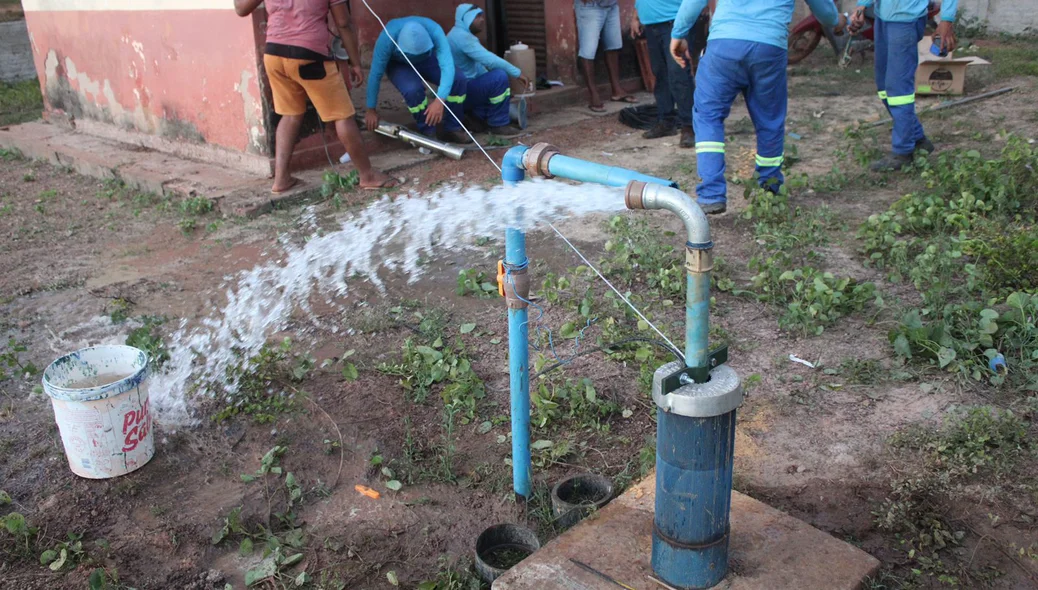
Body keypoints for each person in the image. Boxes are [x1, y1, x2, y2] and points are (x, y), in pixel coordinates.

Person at [670, 0, 845, 214]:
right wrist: (836, 21)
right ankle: (770, 191)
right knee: (769, 121)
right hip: (769, 48)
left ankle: (711, 195)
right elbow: (822, 7)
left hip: (724, 45)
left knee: (708, 116)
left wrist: (678, 33)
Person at [234, 0, 396, 193]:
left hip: (274, 55)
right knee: (342, 116)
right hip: (309, 54)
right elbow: (343, 23)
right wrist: (355, 63)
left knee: (290, 114)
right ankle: (367, 175)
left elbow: (241, 8)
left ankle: (281, 179)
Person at [852, 0, 957, 171]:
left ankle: (903, 152)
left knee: (899, 91)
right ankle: (918, 139)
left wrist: (946, 20)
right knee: (884, 88)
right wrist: (862, 6)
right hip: (883, 18)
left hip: (906, 20)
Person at [364, 17, 471, 144]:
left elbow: (448, 67)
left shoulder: (435, 31)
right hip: (398, 63)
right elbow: (375, 75)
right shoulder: (387, 38)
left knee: (458, 79)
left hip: (427, 58)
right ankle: (428, 132)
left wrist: (439, 100)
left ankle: (453, 128)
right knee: (412, 90)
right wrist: (371, 109)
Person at [448, 4, 530, 134]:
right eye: (477, 16)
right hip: (461, 93)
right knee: (499, 77)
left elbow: (478, 65)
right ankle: (498, 124)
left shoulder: (458, 34)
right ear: (466, 18)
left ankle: (475, 118)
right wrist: (517, 73)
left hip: (462, 91)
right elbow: (490, 60)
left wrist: (499, 90)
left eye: (482, 16)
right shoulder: (463, 37)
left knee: (497, 93)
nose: (482, 20)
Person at [631, 0, 697, 147]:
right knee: (660, 74)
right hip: (651, 25)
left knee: (678, 75)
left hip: (675, 24)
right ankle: (666, 121)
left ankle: (689, 126)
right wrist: (636, 17)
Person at [575, 0, 638, 113]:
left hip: (611, 5)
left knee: (613, 45)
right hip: (590, 6)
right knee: (588, 50)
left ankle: (617, 90)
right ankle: (593, 94)